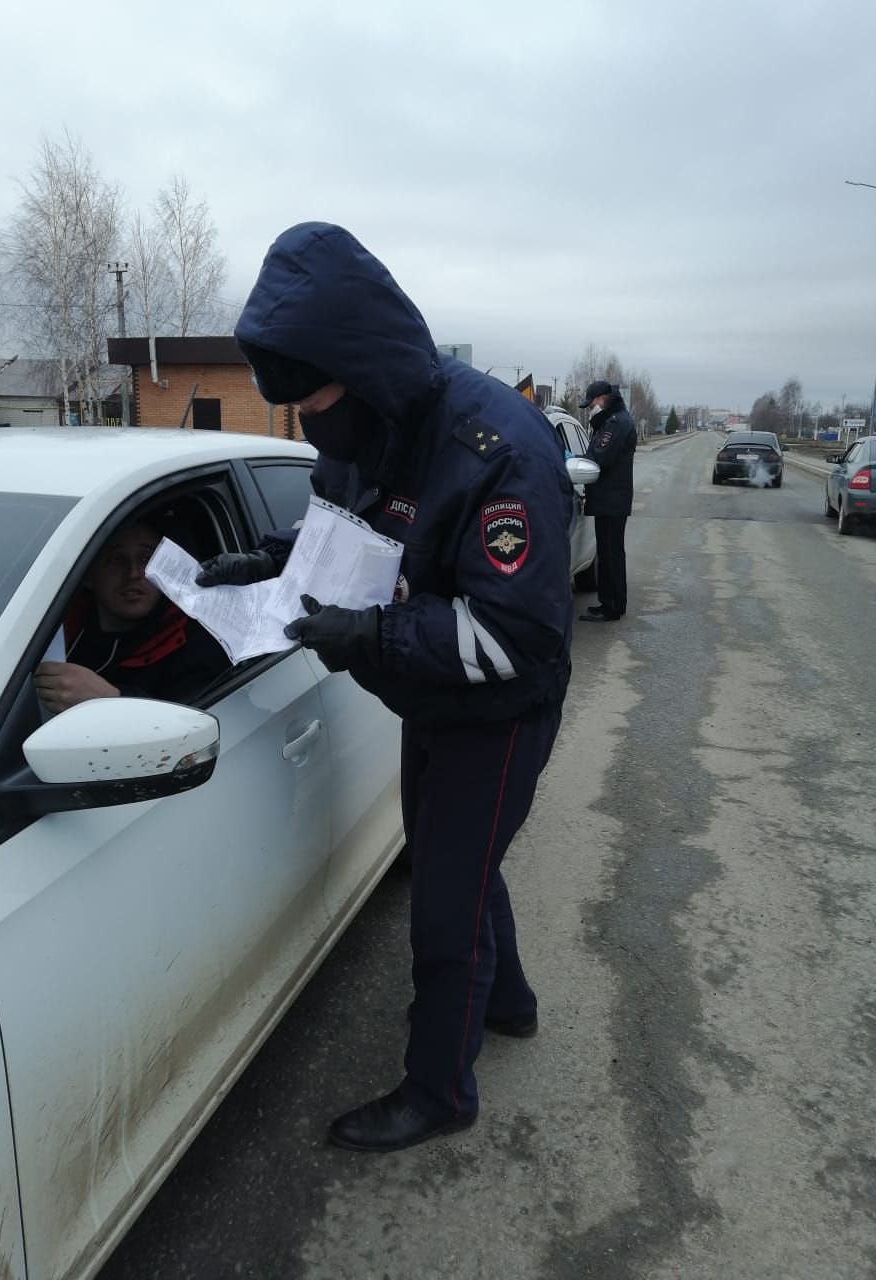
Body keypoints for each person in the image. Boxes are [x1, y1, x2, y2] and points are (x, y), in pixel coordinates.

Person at [198, 222, 575, 1152]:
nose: (310, 423)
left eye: (314, 401)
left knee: (443, 901)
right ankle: (511, 1003)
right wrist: (273, 558)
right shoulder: (365, 432)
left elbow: (515, 640)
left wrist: (371, 631)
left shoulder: (499, 449)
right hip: (424, 696)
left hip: (497, 711)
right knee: (454, 854)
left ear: (361, 372)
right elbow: (346, 533)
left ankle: (439, 1091)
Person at [35, 518, 229, 714]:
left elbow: (193, 726)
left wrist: (111, 699)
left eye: (146, 559)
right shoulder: (48, 626)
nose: (133, 573)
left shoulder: (199, 643)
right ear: (89, 576)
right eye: (116, 559)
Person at [576, 380, 637, 623]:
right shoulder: (615, 420)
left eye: (592, 404)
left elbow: (597, 457)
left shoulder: (617, 423)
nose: (592, 408)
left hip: (611, 500)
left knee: (610, 555)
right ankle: (613, 603)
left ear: (603, 399)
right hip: (611, 499)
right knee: (611, 552)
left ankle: (610, 607)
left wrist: (576, 459)